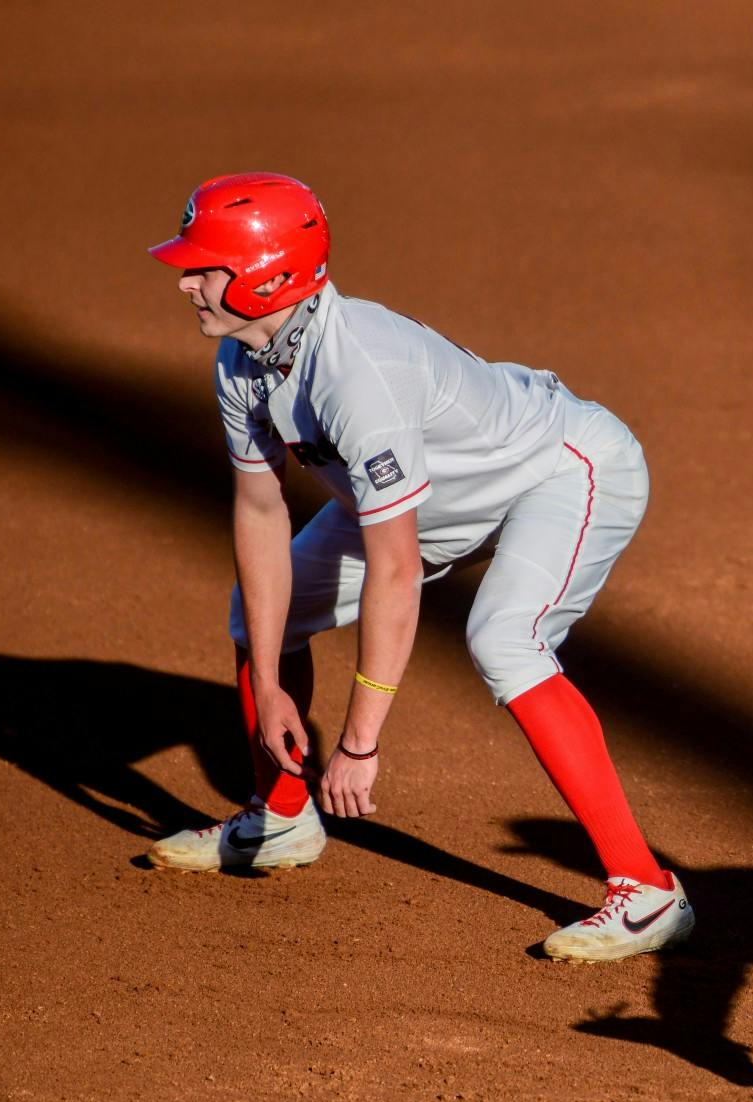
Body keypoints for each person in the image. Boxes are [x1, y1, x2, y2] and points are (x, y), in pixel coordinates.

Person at [143, 171, 692, 963]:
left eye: (205, 268)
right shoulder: (242, 359)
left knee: (505, 639)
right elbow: (261, 512)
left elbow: (395, 571)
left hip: (558, 472)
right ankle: (281, 815)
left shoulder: (356, 374)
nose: (186, 282)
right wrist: (265, 680)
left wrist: (360, 741)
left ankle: (646, 888)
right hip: (421, 502)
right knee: (259, 614)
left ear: (268, 279)